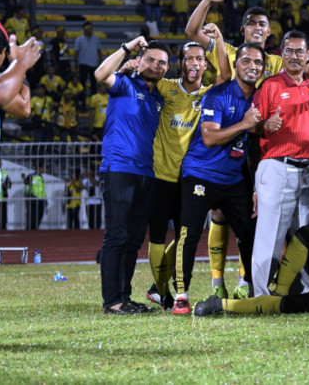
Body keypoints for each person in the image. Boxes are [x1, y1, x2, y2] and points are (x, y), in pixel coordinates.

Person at [172, 43, 263, 314]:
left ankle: (251, 287)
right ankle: (181, 295)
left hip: (233, 178)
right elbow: (210, 138)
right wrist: (247, 124)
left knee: (249, 232)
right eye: (246, 61)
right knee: (188, 233)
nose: (252, 66)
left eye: (257, 62)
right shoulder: (218, 94)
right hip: (200, 173)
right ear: (236, 65)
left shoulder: (261, 97)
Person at [145, 31, 228, 310]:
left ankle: (159, 288)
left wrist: (216, 43)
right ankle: (163, 291)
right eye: (189, 58)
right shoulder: (165, 87)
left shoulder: (208, 95)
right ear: (180, 63)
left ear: (206, 65)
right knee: (158, 236)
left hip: (188, 178)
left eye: (200, 59)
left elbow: (226, 77)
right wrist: (133, 63)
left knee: (184, 236)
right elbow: (143, 76)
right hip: (159, 174)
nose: (194, 62)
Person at [251, 30, 309, 296]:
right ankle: (261, 295)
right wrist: (264, 124)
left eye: (300, 52)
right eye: (289, 51)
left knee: (305, 233)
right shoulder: (269, 86)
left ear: (308, 56)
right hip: (276, 166)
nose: (294, 57)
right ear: (280, 54)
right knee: (269, 234)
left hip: (308, 170)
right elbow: (251, 128)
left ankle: (305, 292)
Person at [96, 37, 169, 315]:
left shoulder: (158, 97)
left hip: (145, 174)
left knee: (133, 239)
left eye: (162, 62)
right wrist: (126, 48)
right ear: (139, 61)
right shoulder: (123, 84)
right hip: (119, 169)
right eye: (150, 59)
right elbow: (100, 74)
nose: (156, 65)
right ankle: (112, 301)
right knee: (117, 235)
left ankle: (123, 297)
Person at [73, 22, 102, 95]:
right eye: (89, 28)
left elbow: (99, 50)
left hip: (94, 63)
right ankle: (82, 99)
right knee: (82, 82)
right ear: (85, 29)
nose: (91, 30)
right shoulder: (79, 39)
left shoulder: (96, 39)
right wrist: (76, 64)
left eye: (91, 28)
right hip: (83, 63)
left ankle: (93, 98)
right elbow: (76, 53)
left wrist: (100, 61)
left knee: (93, 82)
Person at [23, 163, 47, 229]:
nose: (45, 169)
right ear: (39, 168)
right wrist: (24, 178)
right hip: (33, 199)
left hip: (41, 199)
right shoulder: (32, 176)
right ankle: (30, 229)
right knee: (32, 216)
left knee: (39, 216)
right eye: (43, 167)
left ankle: (34, 228)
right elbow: (26, 182)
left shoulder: (41, 177)